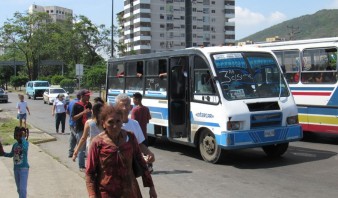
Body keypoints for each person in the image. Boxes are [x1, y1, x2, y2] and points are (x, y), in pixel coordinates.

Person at [85, 106, 157, 198]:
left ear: (122, 121)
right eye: (110, 122)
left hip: (130, 191)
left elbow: (141, 162)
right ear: (103, 124)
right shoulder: (97, 142)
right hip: (106, 193)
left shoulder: (130, 137)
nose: (115, 126)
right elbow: (90, 172)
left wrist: (151, 187)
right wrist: (92, 195)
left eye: (118, 121)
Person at [115, 93, 155, 164]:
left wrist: (150, 153)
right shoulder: (113, 125)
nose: (124, 108)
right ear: (116, 107)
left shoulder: (135, 124)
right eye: (121, 105)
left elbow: (139, 144)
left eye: (126, 105)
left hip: (131, 167)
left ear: (131, 107)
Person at [0, 127, 30, 198]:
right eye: (16, 135)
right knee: (19, 189)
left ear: (23, 135)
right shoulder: (15, 145)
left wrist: (23, 138)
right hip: (16, 169)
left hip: (24, 169)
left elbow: (25, 149)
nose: (18, 137)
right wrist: (3, 153)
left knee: (23, 189)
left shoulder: (25, 143)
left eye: (20, 135)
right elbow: (11, 154)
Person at [71, 89, 92, 171]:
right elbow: (73, 118)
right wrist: (83, 113)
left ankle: (90, 164)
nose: (89, 97)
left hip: (89, 128)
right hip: (80, 128)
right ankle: (81, 166)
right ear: (82, 96)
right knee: (81, 148)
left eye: (89, 95)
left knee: (89, 146)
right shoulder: (76, 105)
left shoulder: (89, 104)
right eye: (87, 95)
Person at [66, 92, 80, 158]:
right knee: (78, 137)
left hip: (71, 122)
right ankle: (79, 152)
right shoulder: (78, 103)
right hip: (76, 123)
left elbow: (67, 111)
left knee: (72, 137)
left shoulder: (71, 102)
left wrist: (71, 117)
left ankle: (71, 152)